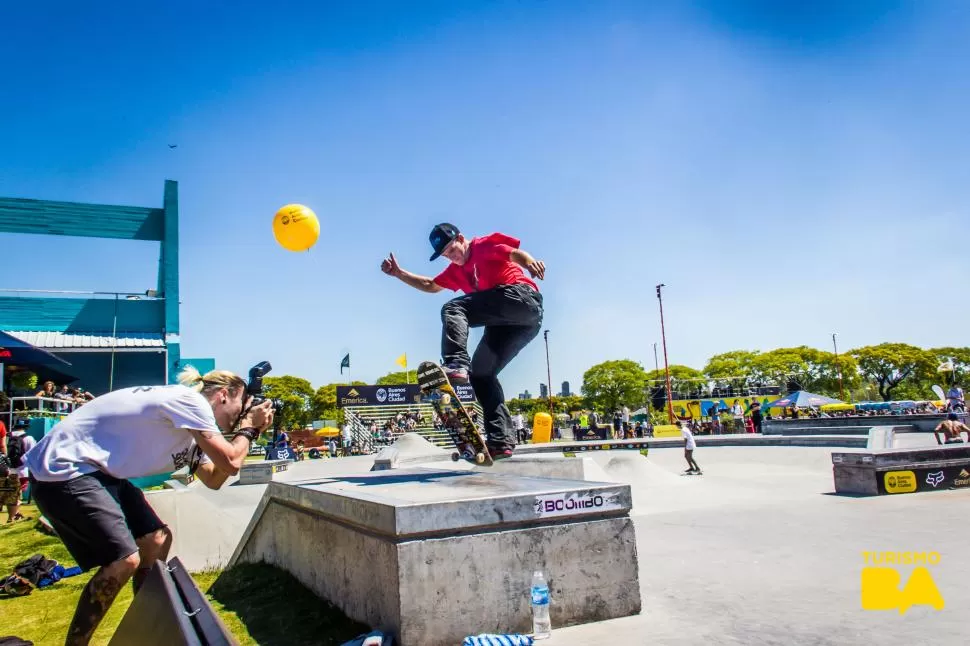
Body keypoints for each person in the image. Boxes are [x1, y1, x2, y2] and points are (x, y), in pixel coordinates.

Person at [23, 366, 274, 646]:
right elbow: (230, 461)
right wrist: (249, 428)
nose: (240, 414)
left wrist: (250, 432)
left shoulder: (193, 431)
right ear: (223, 395)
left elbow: (215, 479)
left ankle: (146, 626)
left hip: (100, 472)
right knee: (123, 559)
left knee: (156, 540)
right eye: (241, 405)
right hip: (63, 469)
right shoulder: (190, 401)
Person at [381, 222, 545, 459]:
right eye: (446, 255)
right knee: (482, 375)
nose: (452, 257)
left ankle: (456, 363)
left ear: (461, 238)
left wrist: (529, 263)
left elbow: (513, 253)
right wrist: (399, 273)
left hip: (521, 298)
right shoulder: (454, 271)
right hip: (518, 326)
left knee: (453, 309)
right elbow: (430, 285)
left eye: (452, 249)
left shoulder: (482, 246)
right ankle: (501, 442)